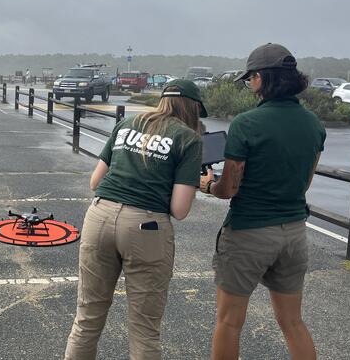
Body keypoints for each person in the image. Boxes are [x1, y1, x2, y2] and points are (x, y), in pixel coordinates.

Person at [65, 79, 207, 360]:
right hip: (147, 227)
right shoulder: (188, 139)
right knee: (144, 330)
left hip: (99, 217)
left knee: (87, 319)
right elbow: (180, 209)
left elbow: (96, 181)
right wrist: (197, 181)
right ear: (193, 107)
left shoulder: (127, 124)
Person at [200, 43, 325, 360]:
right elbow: (305, 182)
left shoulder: (246, 123)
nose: (249, 85)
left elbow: (229, 188)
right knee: (293, 322)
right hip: (294, 232)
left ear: (260, 78)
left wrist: (208, 185)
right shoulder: (314, 125)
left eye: (249, 79)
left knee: (229, 322)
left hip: (249, 232)